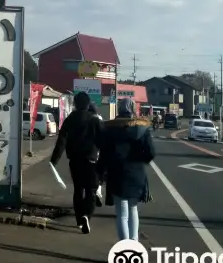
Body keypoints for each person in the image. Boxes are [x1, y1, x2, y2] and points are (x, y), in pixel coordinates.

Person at [97, 97, 156, 242]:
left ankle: (125, 247)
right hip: (137, 173)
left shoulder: (110, 128)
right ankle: (134, 243)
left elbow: (103, 153)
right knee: (133, 209)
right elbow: (151, 152)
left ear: (119, 108)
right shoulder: (142, 127)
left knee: (122, 214)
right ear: (134, 108)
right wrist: (140, 160)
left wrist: (100, 172)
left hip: (116, 173)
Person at [50, 91, 103, 234]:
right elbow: (103, 142)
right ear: (88, 104)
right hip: (91, 161)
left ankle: (79, 219)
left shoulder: (70, 119)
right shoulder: (94, 120)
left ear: (75, 104)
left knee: (78, 190)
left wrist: (54, 160)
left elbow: (62, 140)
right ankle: (87, 215)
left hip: (75, 160)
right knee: (91, 191)